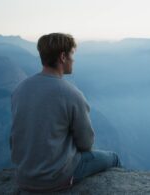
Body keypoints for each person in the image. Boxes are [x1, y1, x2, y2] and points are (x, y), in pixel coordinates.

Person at [10, 33, 121, 193]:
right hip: (56, 178)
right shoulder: (71, 94)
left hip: (23, 177)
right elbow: (86, 143)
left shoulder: (19, 90)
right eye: (71, 54)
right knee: (114, 158)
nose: (73, 60)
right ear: (63, 57)